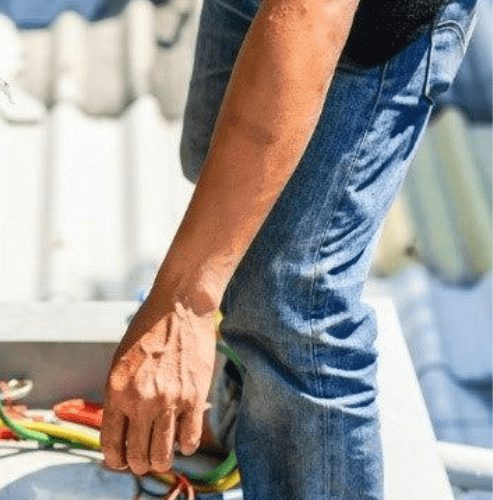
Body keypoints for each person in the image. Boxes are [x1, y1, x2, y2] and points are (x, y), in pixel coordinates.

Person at [100, 0, 477, 498]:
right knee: (219, 175)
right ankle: (254, 415)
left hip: (366, 21)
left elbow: (309, 16)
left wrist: (181, 301)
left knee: (295, 303)